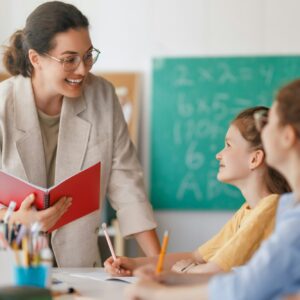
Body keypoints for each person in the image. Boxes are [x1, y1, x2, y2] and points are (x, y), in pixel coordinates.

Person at [0, 1, 160, 267]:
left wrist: (160, 263)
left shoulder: (103, 96)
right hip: (12, 263)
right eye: (69, 59)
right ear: (35, 59)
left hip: (79, 264)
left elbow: (127, 185)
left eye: (88, 55)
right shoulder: (3, 103)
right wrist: (12, 220)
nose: (83, 69)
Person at [124, 79, 300, 300]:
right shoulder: (288, 207)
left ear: (287, 136)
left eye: (270, 121)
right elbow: (248, 279)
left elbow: (246, 286)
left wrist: (159, 293)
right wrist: (169, 277)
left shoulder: (289, 215)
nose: (263, 130)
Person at [105, 106, 290, 276]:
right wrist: (134, 263)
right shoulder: (247, 211)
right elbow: (196, 257)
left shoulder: (270, 207)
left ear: (255, 159)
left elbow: (213, 271)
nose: (219, 154)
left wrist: (189, 270)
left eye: (228, 145)